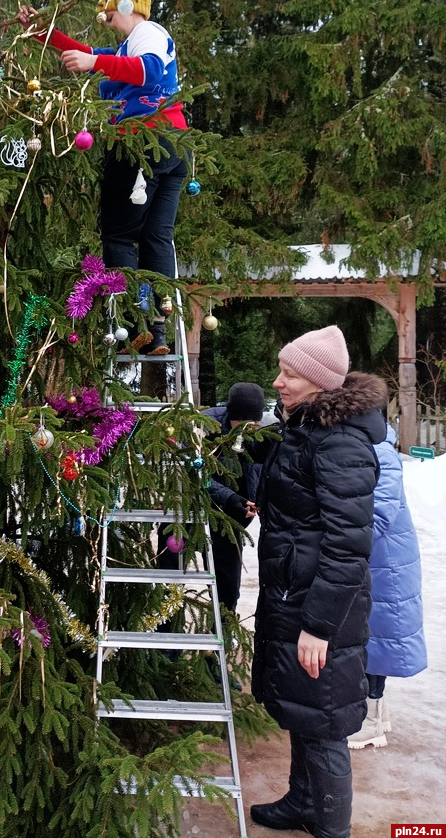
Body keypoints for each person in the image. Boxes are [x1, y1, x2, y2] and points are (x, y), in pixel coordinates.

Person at [250, 325, 385, 838]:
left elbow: (348, 547)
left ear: (319, 382)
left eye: (290, 374)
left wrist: (319, 626)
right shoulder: (306, 429)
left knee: (325, 722)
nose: (278, 382)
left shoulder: (341, 443)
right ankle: (302, 802)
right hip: (294, 595)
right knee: (304, 710)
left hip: (321, 611)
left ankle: (332, 826)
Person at [18, 0, 189, 354]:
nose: (106, 19)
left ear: (127, 5)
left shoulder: (148, 32)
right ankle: (156, 330)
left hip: (142, 141)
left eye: (108, 11)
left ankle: (130, 321)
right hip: (172, 146)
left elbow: (147, 71)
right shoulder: (129, 46)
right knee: (156, 237)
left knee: (119, 235)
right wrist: (41, 32)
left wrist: (95, 64)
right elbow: (86, 52)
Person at [347, 417, 427, 749]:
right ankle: (379, 712)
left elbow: (379, 513)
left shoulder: (379, 451)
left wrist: (340, 539)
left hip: (384, 562)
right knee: (372, 636)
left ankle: (371, 720)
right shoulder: (373, 445)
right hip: (379, 558)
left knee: (376, 641)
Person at [204, 382, 265, 614]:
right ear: (231, 415)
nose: (248, 430)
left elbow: (262, 471)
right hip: (200, 508)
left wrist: (256, 500)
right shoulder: (206, 425)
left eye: (255, 425)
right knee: (173, 572)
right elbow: (194, 472)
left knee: (227, 582)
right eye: (242, 424)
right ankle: (168, 641)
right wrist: (228, 497)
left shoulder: (266, 432)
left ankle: (222, 633)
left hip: (235, 517)